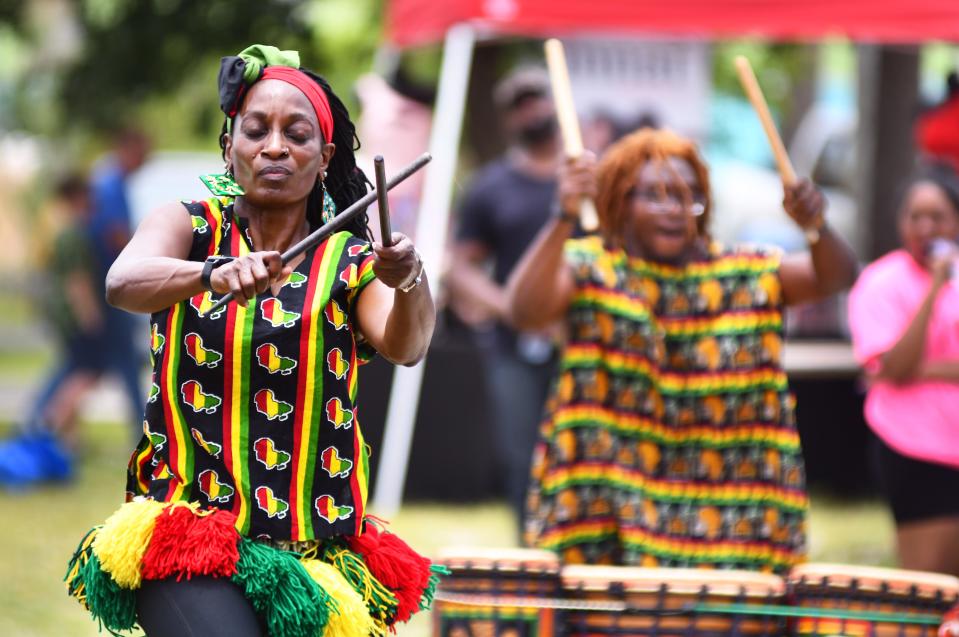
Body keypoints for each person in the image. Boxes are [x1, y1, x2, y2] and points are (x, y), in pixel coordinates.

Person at [65, 45, 439, 637]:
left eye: (297, 134)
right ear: (229, 145)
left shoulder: (350, 260)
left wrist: (410, 279)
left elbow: (406, 344)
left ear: (324, 158)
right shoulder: (188, 227)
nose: (274, 147)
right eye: (255, 130)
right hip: (193, 529)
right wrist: (208, 272)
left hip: (316, 547)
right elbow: (122, 282)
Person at [509, 128, 859, 572]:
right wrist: (563, 214)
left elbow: (835, 277)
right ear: (619, 201)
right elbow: (524, 311)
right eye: (653, 196)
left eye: (688, 196)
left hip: (735, 516)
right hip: (610, 504)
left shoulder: (745, 272)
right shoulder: (593, 266)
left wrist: (816, 226)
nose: (674, 210)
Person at [447, 66, 562, 531]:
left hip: (582, 339)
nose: (530, 109)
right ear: (507, 119)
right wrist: (508, 307)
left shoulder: (584, 177)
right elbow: (460, 264)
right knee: (521, 455)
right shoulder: (492, 186)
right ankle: (531, 552)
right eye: (518, 105)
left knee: (582, 447)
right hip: (514, 346)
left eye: (536, 97)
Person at [847, 163, 959, 576]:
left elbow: (907, 368)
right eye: (915, 216)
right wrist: (933, 290)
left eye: (938, 216)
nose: (926, 227)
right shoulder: (882, 281)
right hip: (914, 448)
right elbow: (894, 366)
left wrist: (923, 370)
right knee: (932, 582)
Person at [0, 175, 102, 487]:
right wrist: (90, 316)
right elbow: (77, 280)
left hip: (62, 314)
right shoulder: (71, 232)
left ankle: (67, 439)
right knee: (85, 374)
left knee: (72, 372)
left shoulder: (55, 225)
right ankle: (50, 425)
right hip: (74, 316)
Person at [87, 127, 151, 439]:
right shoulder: (108, 183)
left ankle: (42, 422)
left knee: (94, 361)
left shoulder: (111, 181)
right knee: (107, 359)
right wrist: (145, 257)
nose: (146, 160)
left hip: (106, 288)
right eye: (143, 152)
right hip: (107, 289)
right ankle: (141, 428)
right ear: (127, 147)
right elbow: (116, 234)